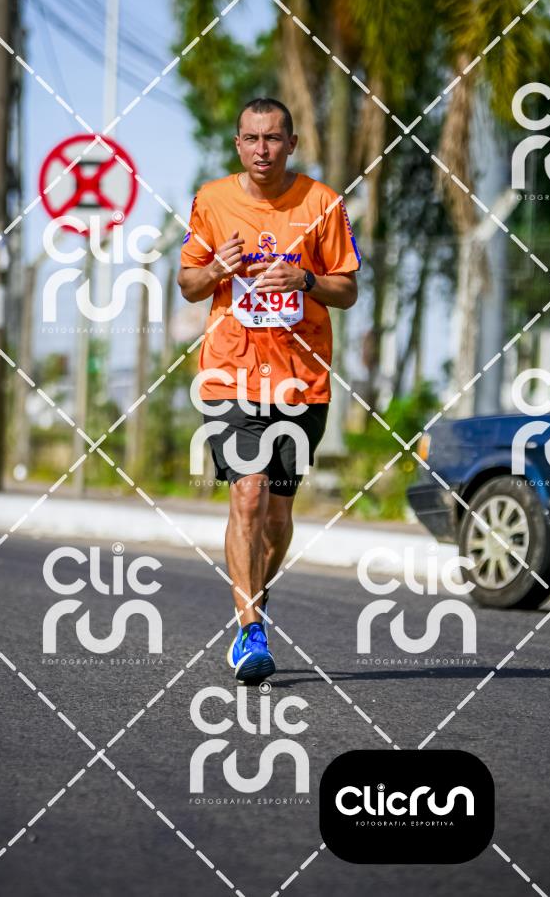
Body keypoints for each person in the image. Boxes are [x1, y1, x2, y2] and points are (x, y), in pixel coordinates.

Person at [178, 97, 361, 683]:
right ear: (238, 144)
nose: (262, 149)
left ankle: (254, 596)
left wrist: (304, 278)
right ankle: (250, 630)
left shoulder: (322, 203)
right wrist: (217, 270)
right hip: (229, 372)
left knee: (278, 516)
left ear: (291, 144)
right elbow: (187, 283)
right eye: (252, 138)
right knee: (249, 493)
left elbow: (348, 289)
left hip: (302, 380)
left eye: (274, 138)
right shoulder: (212, 201)